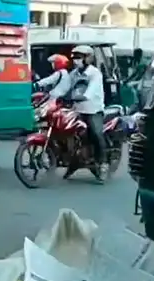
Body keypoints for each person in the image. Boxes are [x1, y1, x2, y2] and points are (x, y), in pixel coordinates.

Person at [68, 45, 107, 180]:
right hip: (77, 110)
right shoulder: (73, 74)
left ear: (88, 58)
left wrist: (81, 97)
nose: (75, 61)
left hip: (92, 110)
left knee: (96, 133)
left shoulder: (95, 74)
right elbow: (64, 87)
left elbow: (90, 92)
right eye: (74, 58)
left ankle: (103, 163)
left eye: (78, 58)